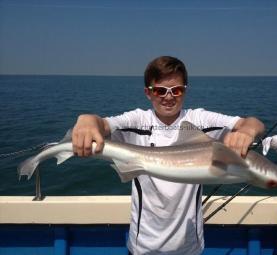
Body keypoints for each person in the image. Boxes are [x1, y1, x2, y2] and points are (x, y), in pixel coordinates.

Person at [72, 56, 265, 254]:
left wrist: (246, 133)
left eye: (177, 90)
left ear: (185, 91)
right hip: (143, 247)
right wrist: (86, 120)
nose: (169, 97)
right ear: (148, 92)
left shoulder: (199, 119)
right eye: (160, 90)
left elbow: (251, 123)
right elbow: (102, 125)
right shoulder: (137, 121)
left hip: (190, 247)